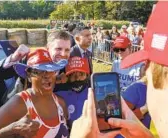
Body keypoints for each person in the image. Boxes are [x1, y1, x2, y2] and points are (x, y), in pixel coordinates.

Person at [70, 1, 168, 138]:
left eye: (122, 49)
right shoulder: (115, 65)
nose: (119, 52)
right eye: (116, 49)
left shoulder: (138, 87)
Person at [0, 49, 69, 138]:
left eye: (51, 70)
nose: (47, 76)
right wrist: (10, 130)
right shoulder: (20, 103)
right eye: (39, 71)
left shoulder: (60, 103)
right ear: (29, 76)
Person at [0, 30, 71, 95]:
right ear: (48, 47)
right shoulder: (31, 61)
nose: (63, 54)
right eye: (58, 49)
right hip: (22, 109)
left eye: (67, 50)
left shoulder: (68, 68)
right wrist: (13, 58)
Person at [56, 56, 90, 130]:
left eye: (81, 74)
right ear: (67, 77)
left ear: (87, 75)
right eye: (73, 75)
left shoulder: (93, 94)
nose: (77, 78)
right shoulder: (59, 95)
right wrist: (56, 80)